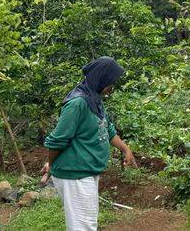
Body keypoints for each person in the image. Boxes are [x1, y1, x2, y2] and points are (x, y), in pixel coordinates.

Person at [40, 57, 136, 231]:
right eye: (110, 83)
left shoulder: (95, 99)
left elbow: (107, 129)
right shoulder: (78, 103)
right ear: (100, 79)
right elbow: (57, 140)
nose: (111, 88)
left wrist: (125, 148)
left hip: (86, 170)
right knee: (83, 227)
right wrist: (51, 165)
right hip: (75, 174)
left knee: (86, 223)